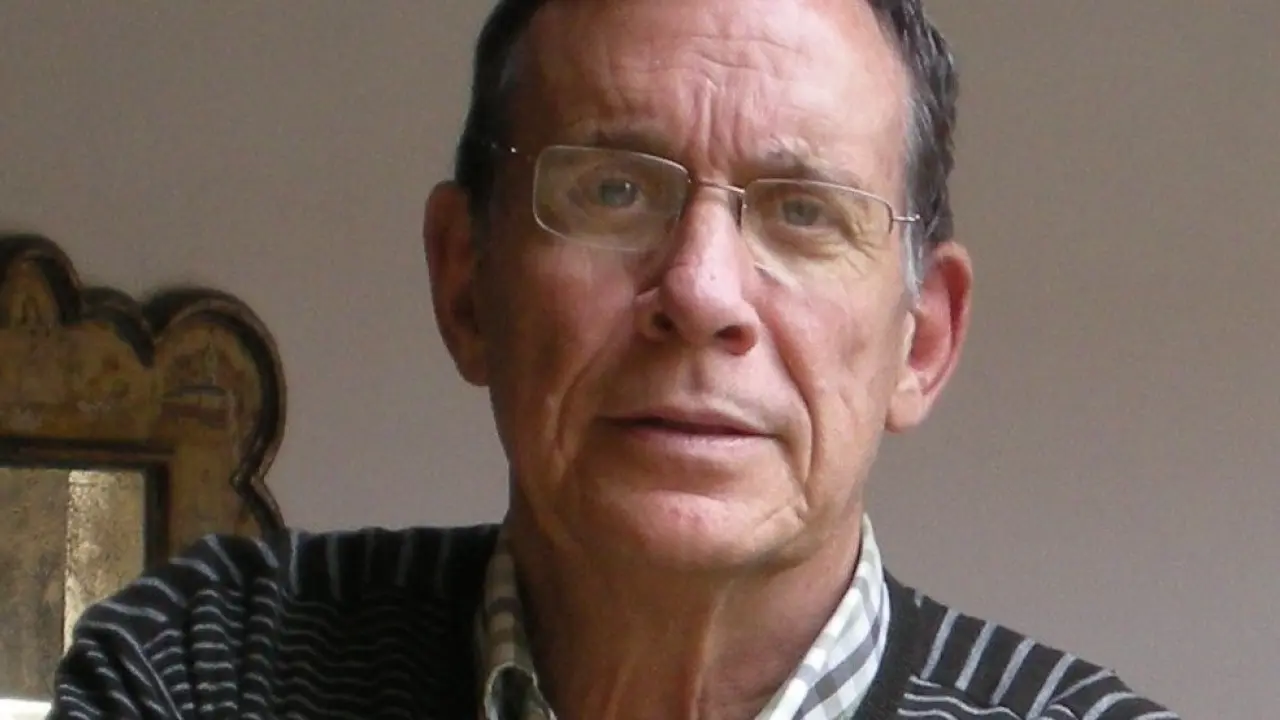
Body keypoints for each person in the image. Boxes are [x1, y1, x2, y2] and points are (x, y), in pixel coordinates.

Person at [46, 0, 1178, 718]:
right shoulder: (200, 670)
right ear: (465, 282)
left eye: (802, 213)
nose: (700, 292)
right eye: (613, 191)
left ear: (920, 342)